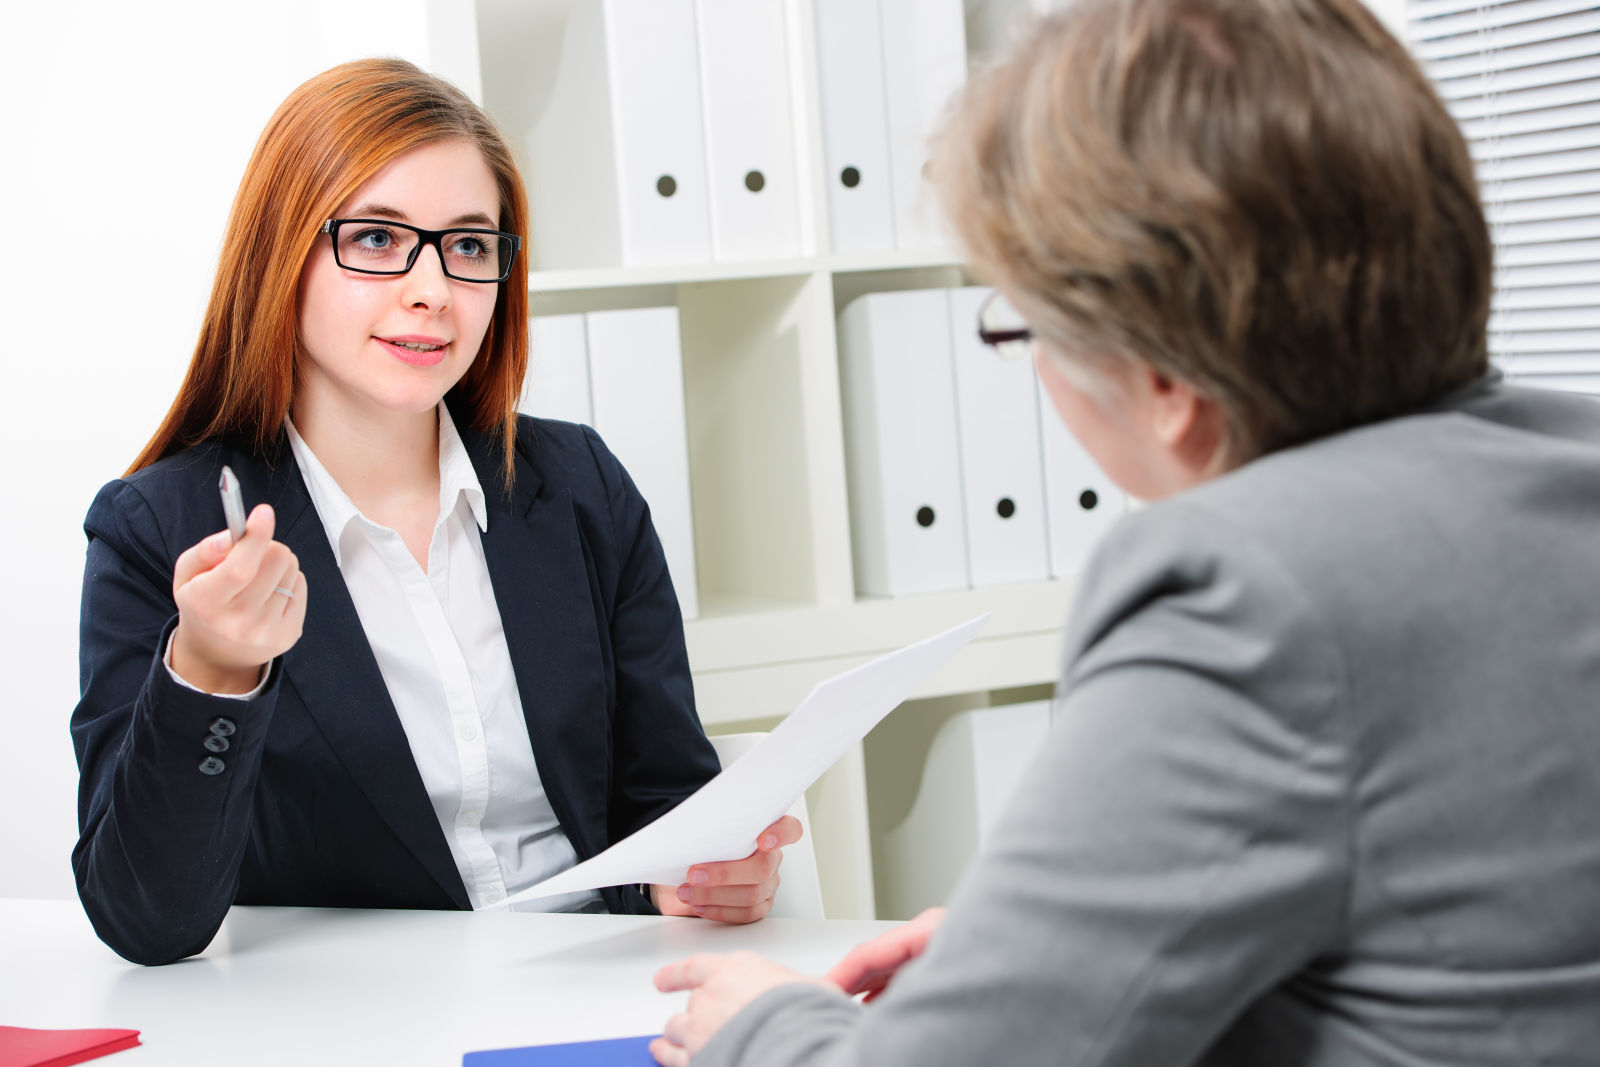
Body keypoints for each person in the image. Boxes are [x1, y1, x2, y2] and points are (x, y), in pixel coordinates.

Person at [646, 0, 1600, 1062]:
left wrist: (768, 1025)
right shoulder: (1570, 473)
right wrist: (1054, 951)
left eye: (1022, 325)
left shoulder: (1247, 586)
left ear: (1160, 381)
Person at [70, 58, 798, 968]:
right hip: (362, 1023)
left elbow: (664, 806)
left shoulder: (579, 486)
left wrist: (691, 876)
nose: (432, 289)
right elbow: (148, 921)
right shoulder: (161, 530)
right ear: (280, 250)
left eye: (467, 246)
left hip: (604, 994)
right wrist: (212, 668)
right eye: (375, 240)